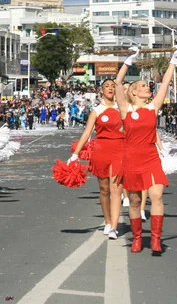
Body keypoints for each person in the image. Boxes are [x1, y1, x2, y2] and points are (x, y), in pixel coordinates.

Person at [114, 46, 177, 254]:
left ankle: (156, 239)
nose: (146, 87)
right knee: (134, 200)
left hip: (151, 156)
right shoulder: (126, 108)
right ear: (133, 91)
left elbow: (166, 82)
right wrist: (128, 60)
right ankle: (137, 239)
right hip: (131, 158)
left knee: (157, 196)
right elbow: (117, 83)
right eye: (142, 85)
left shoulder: (153, 107)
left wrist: (174, 59)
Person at [71, 80, 124, 239]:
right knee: (104, 189)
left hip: (119, 150)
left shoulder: (122, 108)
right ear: (101, 90)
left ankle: (114, 226)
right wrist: (76, 153)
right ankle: (108, 222)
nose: (110, 89)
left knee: (116, 189)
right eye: (107, 86)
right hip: (101, 151)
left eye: (113, 86)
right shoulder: (97, 110)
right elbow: (87, 133)